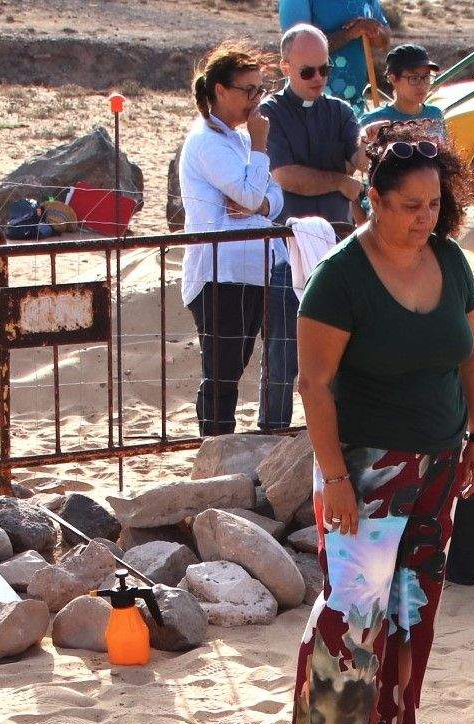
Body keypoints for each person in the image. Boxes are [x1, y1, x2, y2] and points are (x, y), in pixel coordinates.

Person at [277, 126, 474, 724]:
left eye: (433, 204)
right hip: (365, 466)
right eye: (409, 205)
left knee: (413, 602)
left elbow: (472, 354)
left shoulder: (451, 261)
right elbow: (313, 386)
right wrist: (336, 478)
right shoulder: (340, 278)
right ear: (373, 199)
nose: (423, 218)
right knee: (354, 604)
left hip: (441, 460)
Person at [261, 25, 369, 433]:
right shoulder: (271, 113)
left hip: (336, 252)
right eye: (308, 72)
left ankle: (339, 432)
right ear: (285, 66)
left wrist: (364, 148)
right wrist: (340, 180)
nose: (319, 79)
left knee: (340, 350)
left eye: (324, 69)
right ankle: (273, 431)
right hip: (287, 251)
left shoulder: (340, 111)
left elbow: (356, 155)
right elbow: (287, 176)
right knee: (282, 353)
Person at [178, 45, 287, 438]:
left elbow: (272, 196)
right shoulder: (209, 140)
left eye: (261, 91)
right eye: (248, 91)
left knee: (236, 365)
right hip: (220, 273)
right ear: (221, 90)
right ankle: (215, 446)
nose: (256, 102)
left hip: (251, 270)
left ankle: (221, 444)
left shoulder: (237, 139)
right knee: (221, 373)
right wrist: (259, 149)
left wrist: (259, 200)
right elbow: (251, 194)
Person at [276, 0, 389, 111]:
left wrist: (370, 28)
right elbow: (297, 47)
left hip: (354, 106)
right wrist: (350, 33)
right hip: (307, 107)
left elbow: (385, 41)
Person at [359, 43, 447, 138]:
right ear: (393, 79)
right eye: (414, 78)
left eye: (427, 77)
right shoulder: (372, 120)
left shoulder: (435, 114)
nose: (422, 85)